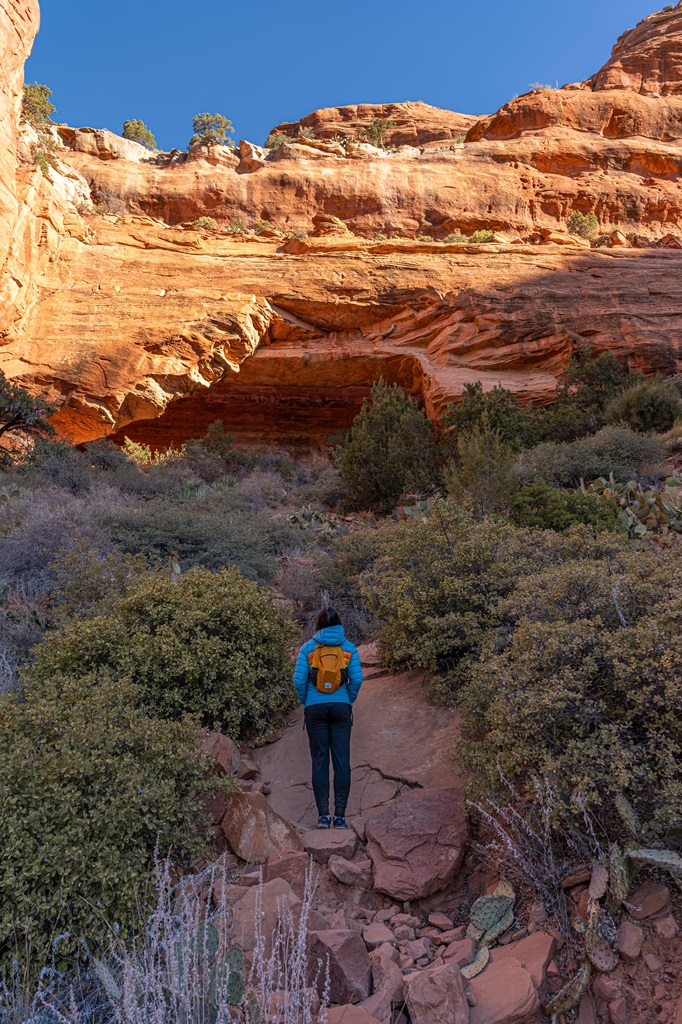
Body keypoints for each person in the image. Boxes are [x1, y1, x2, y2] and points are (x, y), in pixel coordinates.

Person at [293, 607, 363, 830]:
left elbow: (298, 681)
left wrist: (307, 701)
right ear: (339, 624)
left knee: (320, 761)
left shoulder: (308, 648)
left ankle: (324, 817)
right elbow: (357, 680)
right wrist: (347, 700)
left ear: (318, 625)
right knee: (342, 761)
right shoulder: (348, 647)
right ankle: (340, 817)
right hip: (341, 707)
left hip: (315, 709)